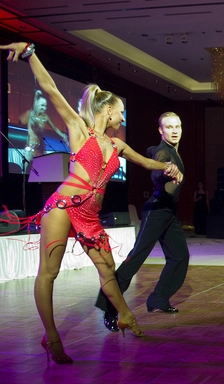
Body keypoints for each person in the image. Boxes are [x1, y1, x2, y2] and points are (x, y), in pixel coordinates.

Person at [0, 42, 184, 363]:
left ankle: (124, 315)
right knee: (49, 274)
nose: (123, 116)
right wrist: (30, 53)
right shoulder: (79, 130)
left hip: (89, 215)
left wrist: (167, 166)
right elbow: (50, 88)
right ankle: (52, 338)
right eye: (120, 111)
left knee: (108, 269)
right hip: (63, 206)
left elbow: (145, 162)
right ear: (108, 111)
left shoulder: (117, 145)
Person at [95, 112, 188, 331]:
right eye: (169, 127)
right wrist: (165, 172)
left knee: (179, 256)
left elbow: (150, 150)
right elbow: (158, 169)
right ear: (161, 130)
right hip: (156, 211)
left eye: (177, 126)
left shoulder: (166, 149)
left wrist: (152, 151)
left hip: (169, 212)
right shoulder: (165, 152)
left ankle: (158, 299)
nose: (174, 131)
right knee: (136, 257)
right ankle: (109, 307)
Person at [19, 89, 68, 157]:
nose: (44, 108)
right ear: (36, 104)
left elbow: (55, 129)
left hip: (40, 148)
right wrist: (36, 96)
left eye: (45, 106)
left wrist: (63, 135)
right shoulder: (30, 115)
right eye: (42, 105)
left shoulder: (45, 117)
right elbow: (21, 121)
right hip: (30, 147)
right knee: (28, 163)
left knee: (41, 163)